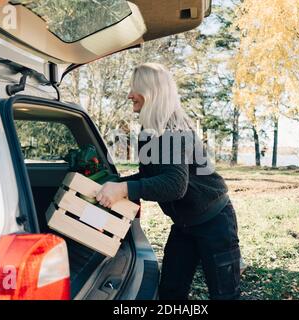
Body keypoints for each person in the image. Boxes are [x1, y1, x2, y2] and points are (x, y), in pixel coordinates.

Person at [95, 62, 241, 300]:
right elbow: (151, 177)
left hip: (214, 220)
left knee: (225, 294)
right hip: (185, 223)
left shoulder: (173, 131)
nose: (130, 94)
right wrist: (116, 185)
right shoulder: (150, 131)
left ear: (152, 92)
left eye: (135, 88)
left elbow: (174, 185)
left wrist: (123, 188)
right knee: (171, 291)